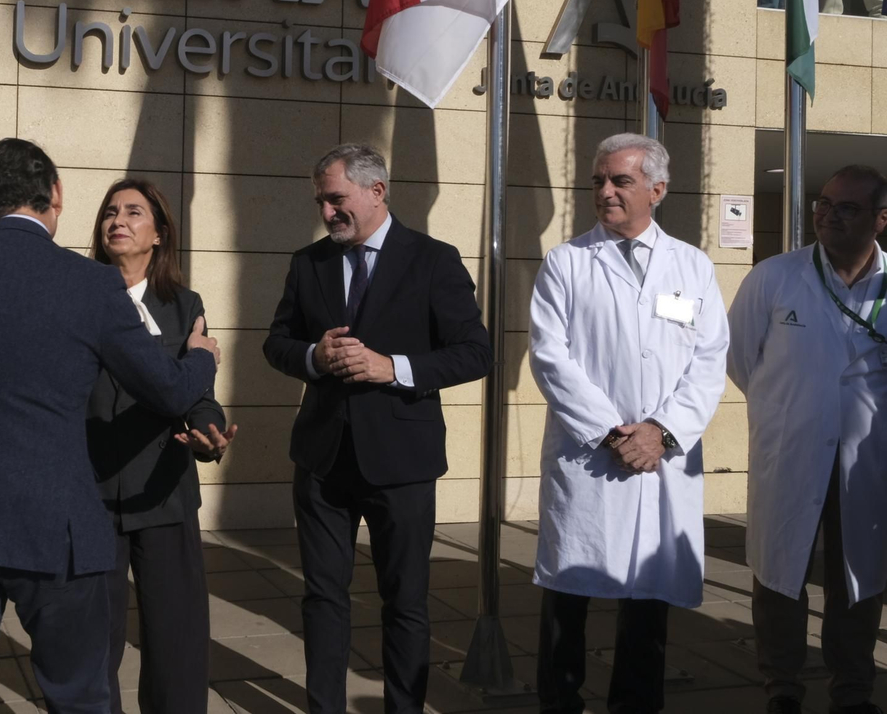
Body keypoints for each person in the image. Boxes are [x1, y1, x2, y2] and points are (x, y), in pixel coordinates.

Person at [0, 138, 220, 714]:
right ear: (55, 194)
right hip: (54, 521)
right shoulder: (92, 284)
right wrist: (201, 355)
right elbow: (170, 390)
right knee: (78, 696)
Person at [261, 143, 491, 714]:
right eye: (320, 201)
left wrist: (394, 368)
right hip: (322, 460)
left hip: (402, 461)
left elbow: (475, 352)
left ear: (377, 191)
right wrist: (314, 355)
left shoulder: (433, 260)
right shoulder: (308, 262)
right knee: (323, 598)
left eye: (335, 198)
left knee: (405, 602)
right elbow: (277, 343)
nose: (326, 211)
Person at [528, 134, 729, 714]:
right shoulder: (567, 262)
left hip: (660, 457)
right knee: (568, 597)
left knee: (647, 602)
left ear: (657, 190)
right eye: (599, 181)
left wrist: (660, 432)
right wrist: (614, 434)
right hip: (591, 454)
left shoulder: (692, 265)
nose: (606, 191)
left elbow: (709, 359)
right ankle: (559, 704)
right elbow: (550, 356)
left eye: (621, 180)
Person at [730, 165, 887, 714]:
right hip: (791, 450)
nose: (828, 215)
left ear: (880, 219)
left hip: (867, 461)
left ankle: (852, 691)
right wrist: (794, 410)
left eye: (847, 208)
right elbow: (739, 359)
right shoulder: (775, 277)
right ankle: (782, 686)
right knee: (780, 572)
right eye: (823, 203)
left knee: (859, 578)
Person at [87, 178, 237, 714]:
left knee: (177, 641)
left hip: (164, 491)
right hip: (91, 493)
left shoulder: (182, 304)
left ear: (159, 233)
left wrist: (209, 432)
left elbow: (199, 393)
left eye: (133, 212)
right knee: (92, 645)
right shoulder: (79, 295)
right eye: (110, 211)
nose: (117, 221)